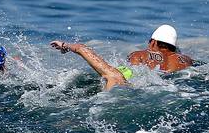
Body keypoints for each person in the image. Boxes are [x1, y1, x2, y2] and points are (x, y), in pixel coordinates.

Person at [49, 25, 193, 91]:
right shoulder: (186, 60)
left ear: (153, 42)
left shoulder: (136, 58)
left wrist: (65, 45)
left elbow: (82, 48)